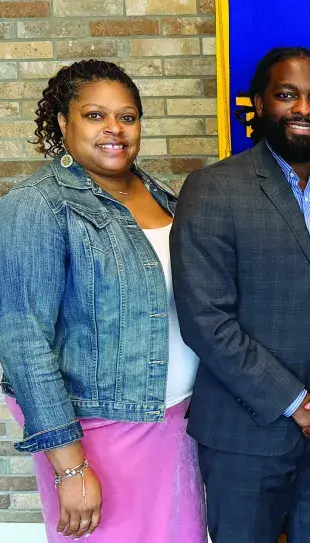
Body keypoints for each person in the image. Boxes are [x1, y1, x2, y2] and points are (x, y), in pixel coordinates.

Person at [170, 46, 310, 543]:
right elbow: (206, 320)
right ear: (258, 103)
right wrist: (295, 402)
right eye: (287, 94)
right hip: (245, 437)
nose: (305, 109)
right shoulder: (213, 189)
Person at [0, 60, 206, 542]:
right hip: (96, 432)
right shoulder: (37, 204)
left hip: (178, 423)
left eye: (127, 117)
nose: (114, 129)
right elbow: (24, 342)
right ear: (62, 122)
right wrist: (70, 467)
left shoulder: (161, 196)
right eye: (95, 115)